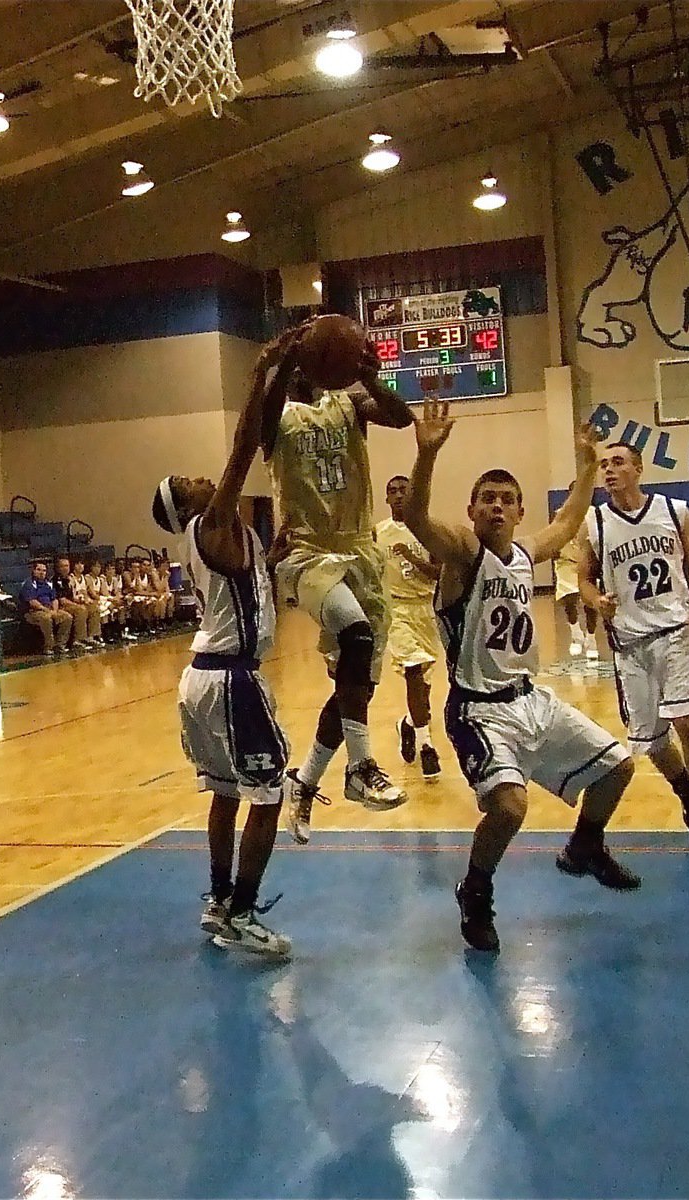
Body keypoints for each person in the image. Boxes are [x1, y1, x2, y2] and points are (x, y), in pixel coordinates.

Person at [405, 400, 639, 953]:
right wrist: (426, 453)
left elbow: (567, 522)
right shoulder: (463, 553)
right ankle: (476, 890)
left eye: (507, 500)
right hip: (479, 710)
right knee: (509, 808)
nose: (496, 507)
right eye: (487, 499)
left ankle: (584, 847)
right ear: (472, 508)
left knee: (617, 768)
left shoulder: (522, 554)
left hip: (531, 699)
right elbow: (415, 517)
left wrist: (585, 469)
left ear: (517, 511)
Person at [151, 327, 303, 955]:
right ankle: (242, 912)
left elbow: (241, 586)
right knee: (269, 793)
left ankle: (218, 901)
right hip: (231, 677)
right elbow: (243, 447)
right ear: (183, 505)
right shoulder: (209, 522)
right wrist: (261, 373)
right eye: (188, 480)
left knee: (223, 792)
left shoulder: (220, 537)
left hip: (205, 675)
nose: (201, 478)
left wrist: (270, 558)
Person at [263, 318, 415, 842]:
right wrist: (281, 363)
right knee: (355, 635)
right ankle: (361, 766)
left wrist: (371, 378)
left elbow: (402, 417)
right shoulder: (276, 417)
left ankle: (305, 783)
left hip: (359, 551)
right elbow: (256, 420)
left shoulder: (350, 405)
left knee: (356, 688)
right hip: (306, 552)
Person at [577, 442, 689, 855]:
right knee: (650, 742)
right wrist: (597, 601)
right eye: (603, 465)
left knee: (686, 720)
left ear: (638, 468)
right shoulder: (594, 522)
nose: (609, 471)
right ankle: (688, 795)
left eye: (618, 463)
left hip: (676, 633)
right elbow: (584, 579)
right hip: (630, 643)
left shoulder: (674, 510)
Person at [373, 474, 443, 780]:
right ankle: (428, 746)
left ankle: (408, 724)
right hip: (397, 610)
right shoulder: (378, 533)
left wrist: (412, 557)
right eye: (393, 491)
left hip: (427, 611)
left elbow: (437, 574)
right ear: (387, 499)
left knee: (423, 687)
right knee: (413, 673)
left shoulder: (428, 530)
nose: (399, 494)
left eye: (404, 490)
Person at [18, 560, 72, 655]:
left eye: (44, 570)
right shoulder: (29, 583)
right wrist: (47, 610)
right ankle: (48, 647)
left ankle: (60, 645)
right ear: (33, 571)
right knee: (46, 618)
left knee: (67, 617)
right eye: (39, 570)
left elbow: (54, 599)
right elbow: (32, 602)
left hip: (49, 609)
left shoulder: (48, 583)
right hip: (33, 612)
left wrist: (54, 611)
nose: (42, 573)